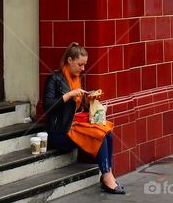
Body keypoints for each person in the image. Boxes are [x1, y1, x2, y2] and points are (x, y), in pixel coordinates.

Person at [43, 42, 124, 194]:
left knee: (108, 132)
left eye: (84, 65)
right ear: (70, 60)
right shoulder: (54, 79)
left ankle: (108, 173)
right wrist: (68, 95)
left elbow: (78, 108)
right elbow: (47, 107)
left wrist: (88, 101)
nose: (83, 69)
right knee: (99, 134)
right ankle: (107, 177)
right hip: (59, 131)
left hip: (75, 125)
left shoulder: (77, 78)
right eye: (80, 64)